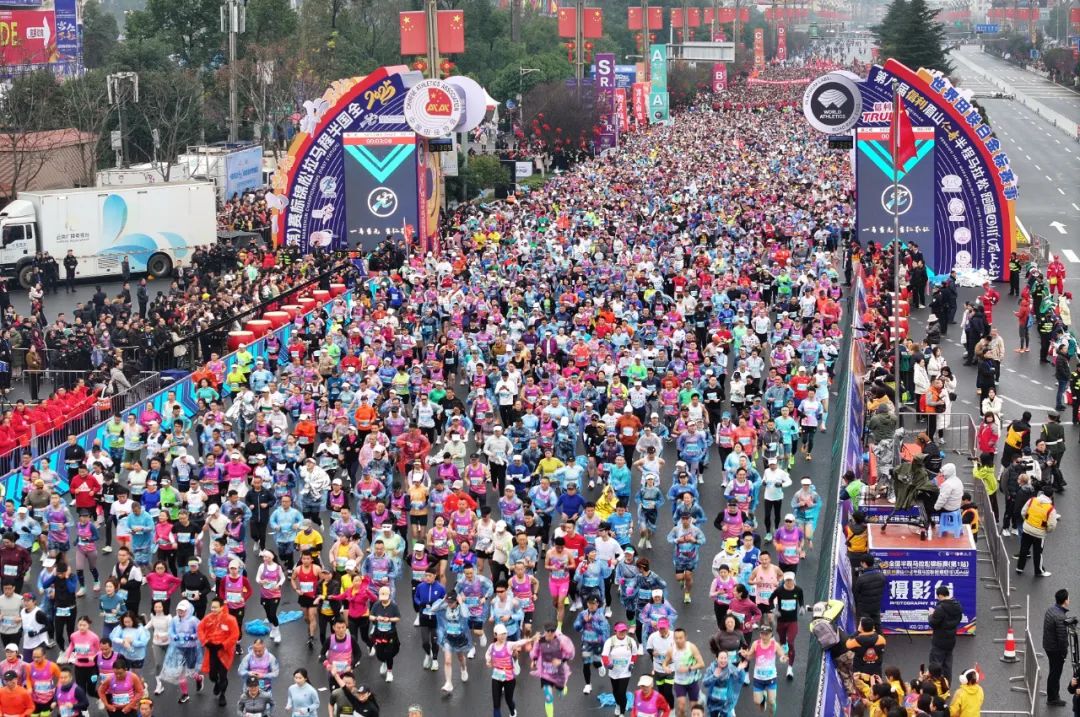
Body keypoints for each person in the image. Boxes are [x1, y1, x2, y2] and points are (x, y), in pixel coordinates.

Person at [196, 598, 239, 706]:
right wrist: (205, 642)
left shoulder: (230, 619)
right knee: (212, 675)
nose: (213, 609)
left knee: (223, 675)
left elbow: (235, 634)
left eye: (215, 607)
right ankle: (216, 682)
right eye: (212, 607)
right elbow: (200, 629)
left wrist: (223, 645)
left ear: (221, 607)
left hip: (225, 652)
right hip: (212, 650)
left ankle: (222, 694)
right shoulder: (208, 618)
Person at [1016, 488, 1058, 577]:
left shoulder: (1032, 500)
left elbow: (1023, 512)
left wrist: (1027, 522)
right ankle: (1038, 571)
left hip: (1027, 529)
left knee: (1024, 549)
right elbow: (1052, 525)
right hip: (1039, 534)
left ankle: (1019, 568)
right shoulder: (1050, 508)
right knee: (1038, 553)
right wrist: (1046, 530)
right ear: (1051, 496)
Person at [927, 585, 963, 684]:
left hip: (939, 640)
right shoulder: (957, 606)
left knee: (936, 665)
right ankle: (946, 686)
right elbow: (958, 620)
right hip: (951, 640)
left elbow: (933, 623)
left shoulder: (940, 608)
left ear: (940, 595)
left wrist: (931, 615)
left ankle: (936, 686)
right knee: (947, 666)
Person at [1043, 588, 1070, 707]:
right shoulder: (1060, 617)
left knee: (1053, 671)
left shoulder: (1051, 610)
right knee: (1055, 673)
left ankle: (1053, 695)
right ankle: (1052, 698)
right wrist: (1064, 653)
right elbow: (1062, 639)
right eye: (1068, 598)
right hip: (1055, 650)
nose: (1069, 600)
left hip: (1048, 646)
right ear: (1065, 601)